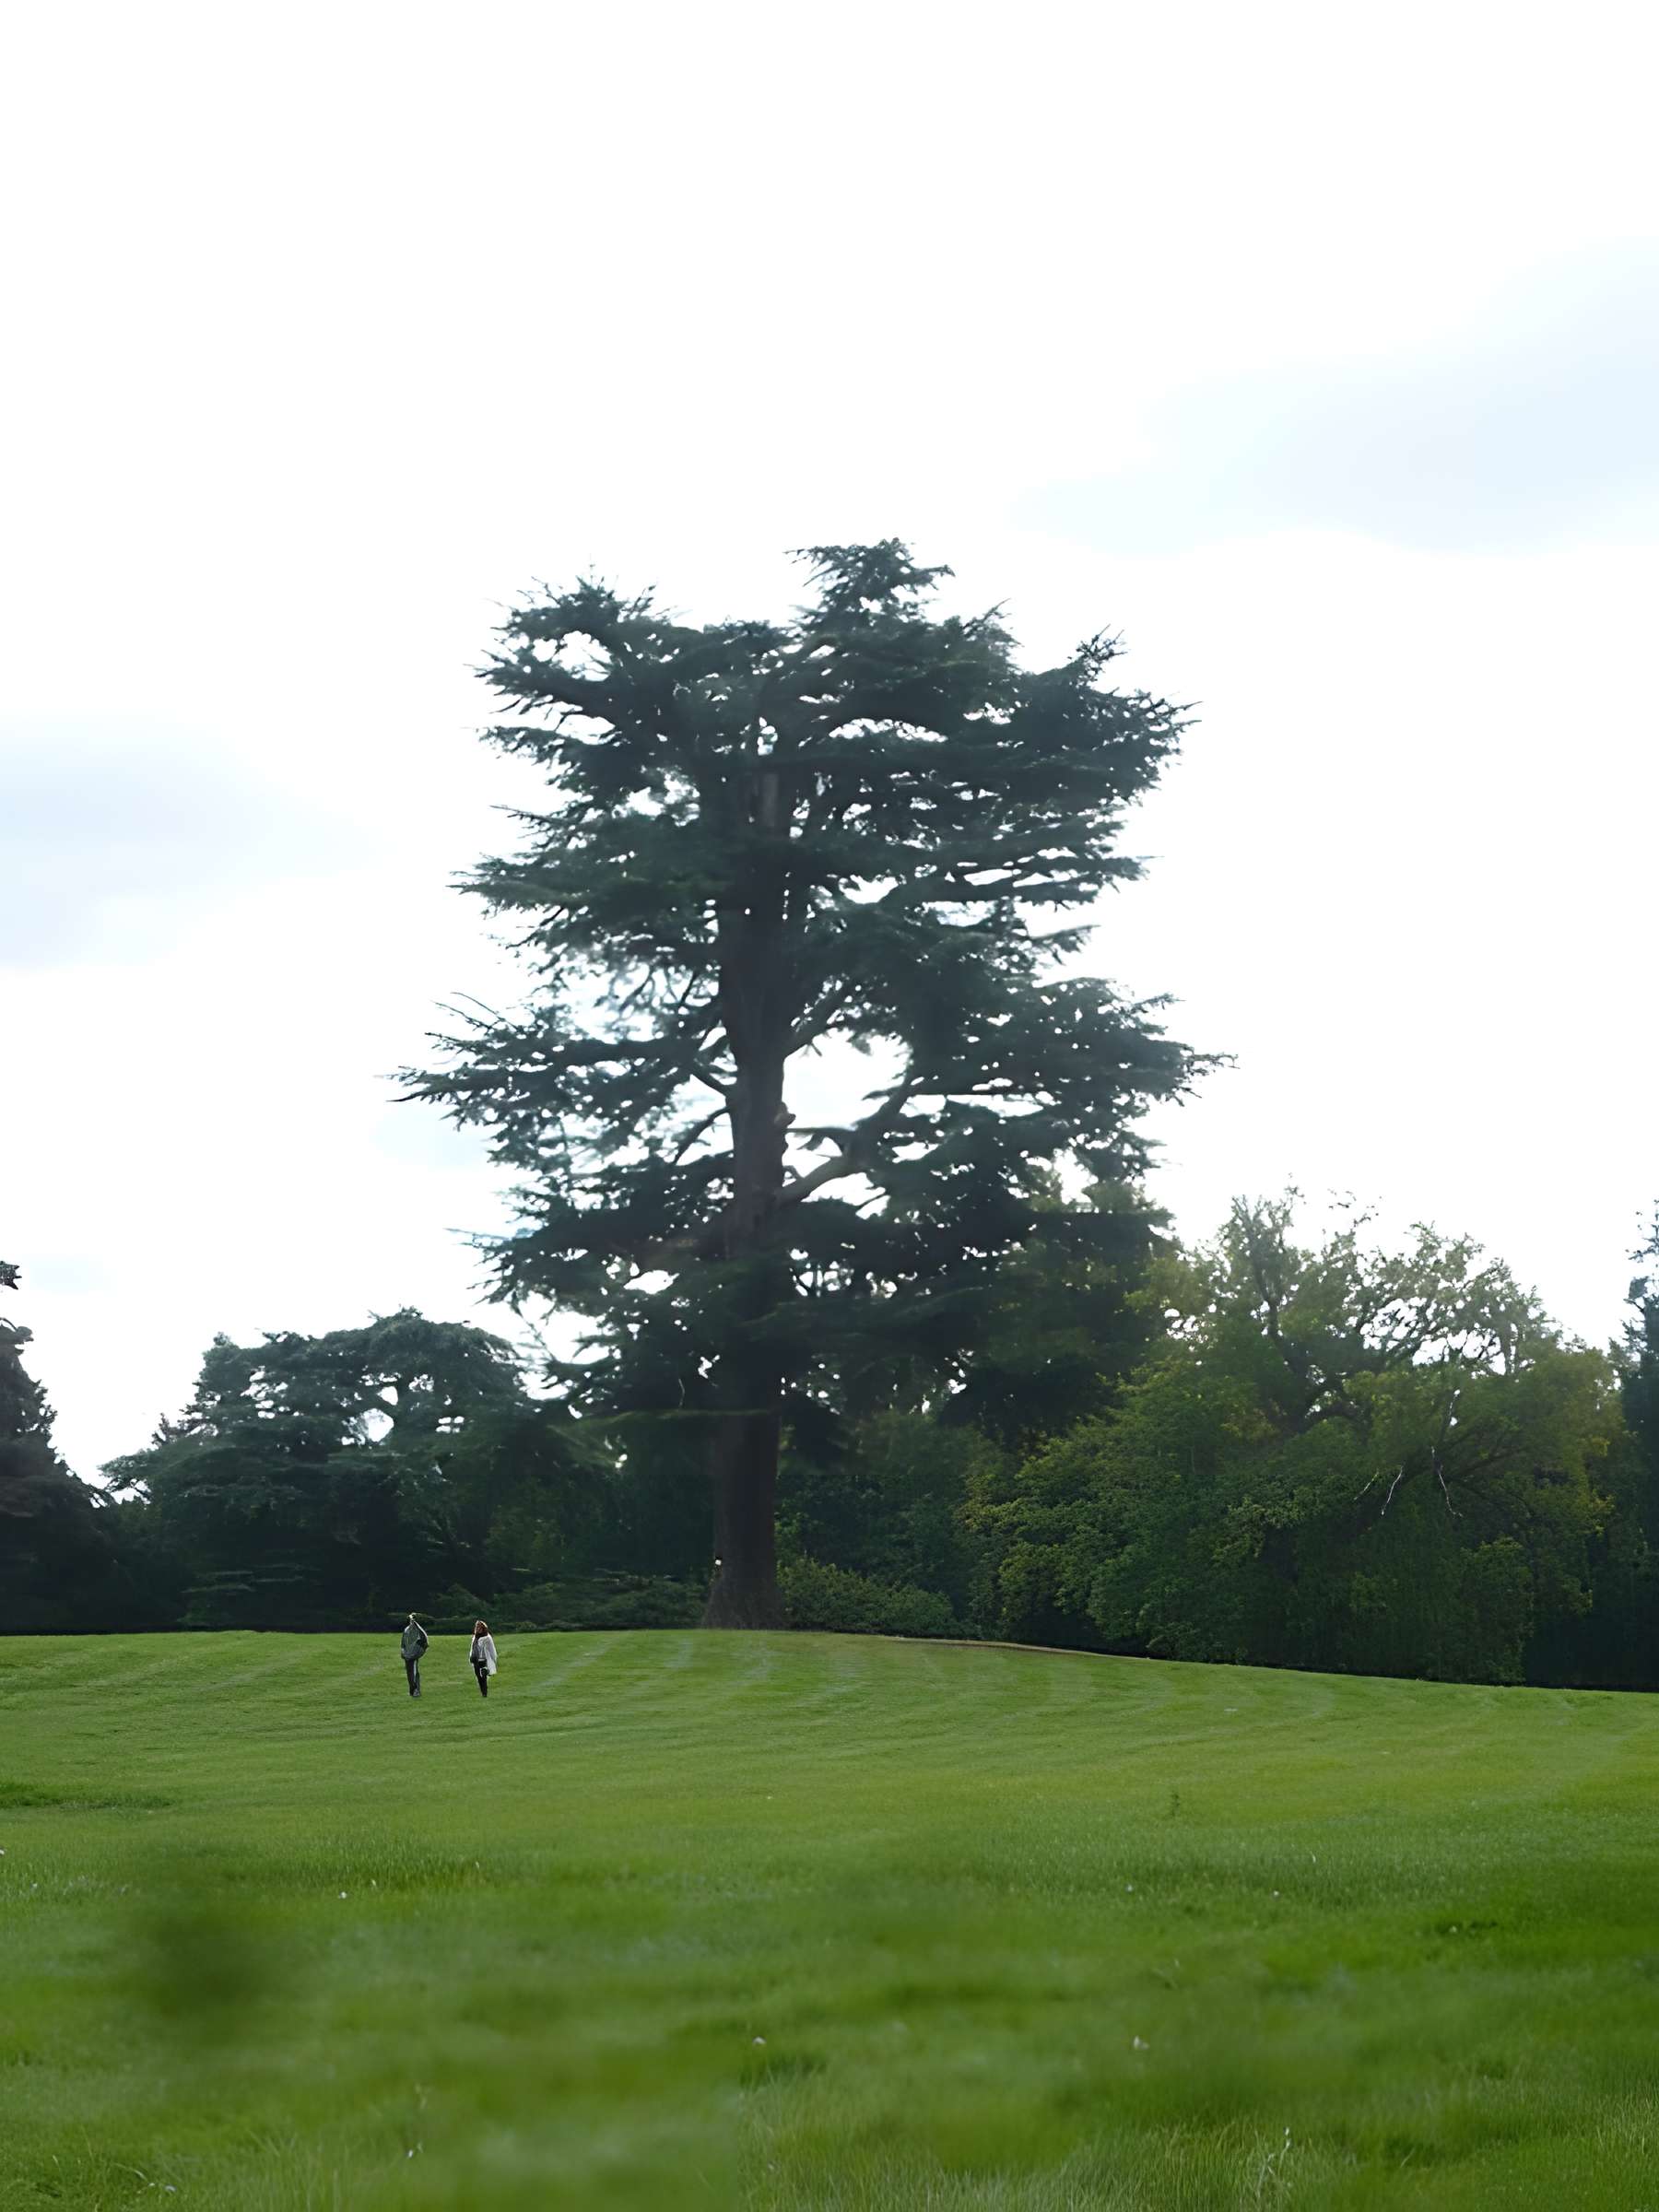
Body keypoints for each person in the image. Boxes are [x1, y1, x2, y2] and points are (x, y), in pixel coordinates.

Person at [400, 1613, 429, 1698]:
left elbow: (424, 1641)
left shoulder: (418, 1631)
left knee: (414, 1672)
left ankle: (416, 1690)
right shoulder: (407, 1630)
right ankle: (412, 1690)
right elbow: (403, 1643)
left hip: (413, 1654)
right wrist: (403, 1652)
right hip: (408, 1654)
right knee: (410, 1673)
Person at [469, 1619, 498, 1700]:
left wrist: (494, 1660)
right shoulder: (475, 1637)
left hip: (483, 1660)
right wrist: (470, 1658)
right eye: (476, 1627)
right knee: (479, 1678)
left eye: (479, 1627)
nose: (477, 1628)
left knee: (483, 1676)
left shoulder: (487, 1638)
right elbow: (472, 1649)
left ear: (483, 1628)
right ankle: (483, 1692)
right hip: (475, 1660)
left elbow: (492, 1649)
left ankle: (485, 1694)